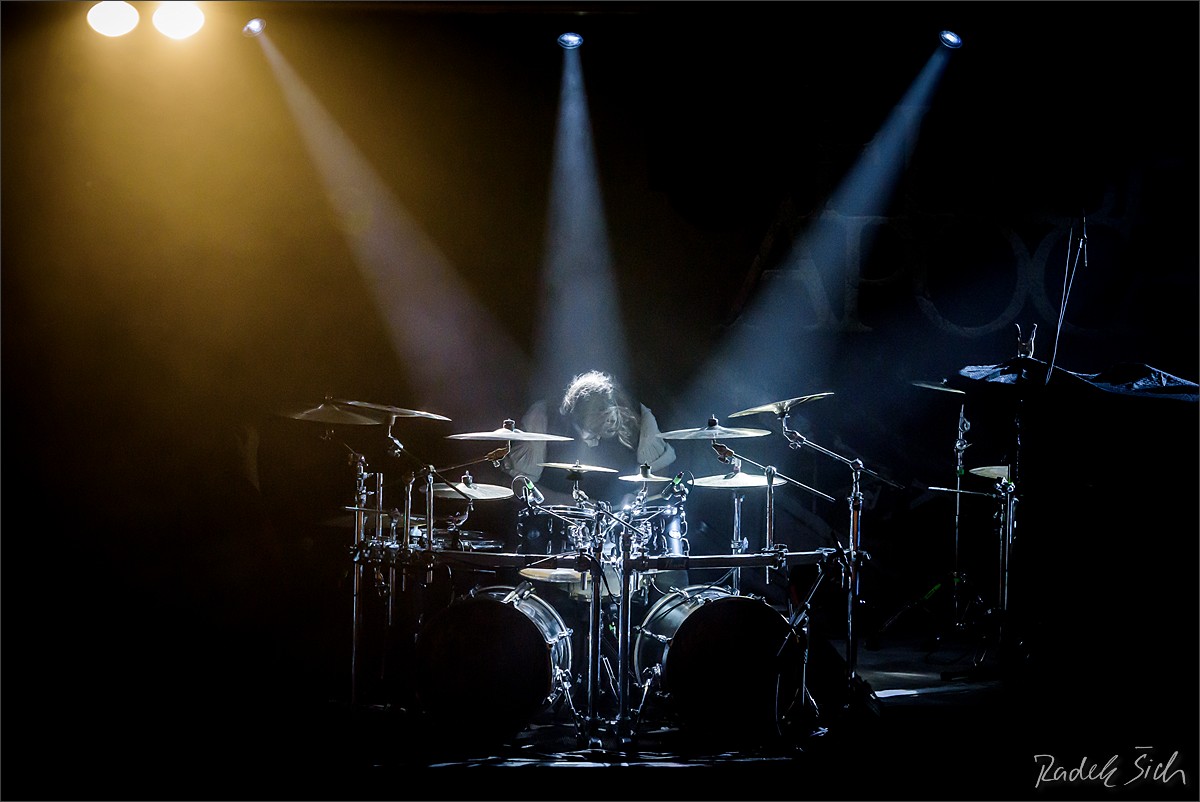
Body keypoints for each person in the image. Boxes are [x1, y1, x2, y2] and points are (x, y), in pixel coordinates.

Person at [501, 370, 677, 509]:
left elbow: (659, 472)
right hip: (556, 523)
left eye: (610, 414)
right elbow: (518, 484)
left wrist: (636, 498)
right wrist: (566, 504)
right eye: (598, 416)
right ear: (577, 415)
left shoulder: (640, 419)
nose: (609, 422)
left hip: (619, 524)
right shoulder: (543, 417)